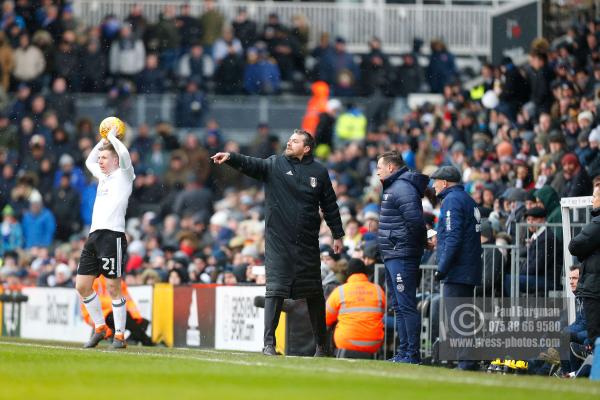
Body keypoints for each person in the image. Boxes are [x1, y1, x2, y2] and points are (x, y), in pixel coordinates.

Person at [212, 129, 344, 357]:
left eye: (295, 141)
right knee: (275, 291)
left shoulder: (319, 172)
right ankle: (269, 345)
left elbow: (330, 205)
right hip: (278, 243)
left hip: (307, 243)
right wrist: (232, 157)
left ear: (307, 148)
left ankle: (322, 347)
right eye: (290, 140)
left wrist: (338, 234)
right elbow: (253, 164)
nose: (289, 143)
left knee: (314, 294)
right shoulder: (275, 164)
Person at [75, 127, 135, 349]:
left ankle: (120, 336)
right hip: (94, 236)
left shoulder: (125, 175)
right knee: (82, 286)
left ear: (116, 160)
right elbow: (89, 161)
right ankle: (100, 328)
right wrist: (102, 141)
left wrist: (111, 138)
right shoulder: (103, 176)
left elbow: (126, 156)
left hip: (113, 235)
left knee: (113, 287)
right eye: (100, 157)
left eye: (105, 157)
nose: (100, 161)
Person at [375, 150, 428, 364]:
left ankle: (411, 354)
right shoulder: (394, 187)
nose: (376, 170)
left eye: (379, 166)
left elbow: (415, 222)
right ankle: (403, 352)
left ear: (390, 167)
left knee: (405, 305)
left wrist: (420, 243)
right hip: (393, 253)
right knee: (398, 305)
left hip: (402, 254)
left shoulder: (403, 188)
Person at [430, 166, 482, 370]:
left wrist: (442, 268)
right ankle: (469, 361)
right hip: (467, 268)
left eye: (436, 181)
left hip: (458, 271)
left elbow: (454, 237)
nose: (433, 185)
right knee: (463, 319)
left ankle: (466, 363)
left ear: (444, 182)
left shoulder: (451, 201)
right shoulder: (466, 198)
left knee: (458, 320)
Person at [325, 258, 386, 359]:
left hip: (346, 342)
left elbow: (325, 319)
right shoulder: (378, 290)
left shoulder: (340, 291)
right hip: (373, 343)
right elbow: (381, 313)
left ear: (348, 273)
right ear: (365, 272)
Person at [568, 186, 600, 360]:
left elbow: (574, 246)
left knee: (595, 338)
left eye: (595, 196)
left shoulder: (597, 223)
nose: (592, 200)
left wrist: (584, 253)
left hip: (595, 289)